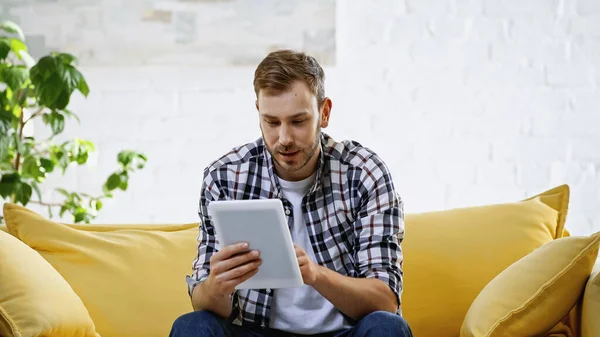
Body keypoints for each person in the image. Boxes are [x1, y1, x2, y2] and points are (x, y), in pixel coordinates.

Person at [169, 50, 412, 337]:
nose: (284, 139)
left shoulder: (364, 173)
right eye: (272, 122)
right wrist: (217, 286)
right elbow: (202, 302)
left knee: (388, 327)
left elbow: (385, 300)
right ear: (258, 110)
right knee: (191, 326)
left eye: (298, 121)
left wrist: (314, 274)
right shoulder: (224, 177)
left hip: (344, 332)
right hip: (255, 331)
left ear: (324, 113)